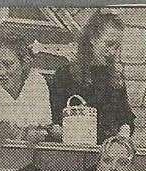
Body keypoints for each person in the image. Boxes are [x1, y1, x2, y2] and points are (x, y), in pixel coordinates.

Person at [48, 10, 136, 144]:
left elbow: (126, 119)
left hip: (104, 156)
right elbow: (53, 120)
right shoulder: (64, 75)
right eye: (109, 44)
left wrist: (123, 133)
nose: (112, 51)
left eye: (117, 46)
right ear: (93, 39)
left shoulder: (116, 79)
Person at [0, 37, 56, 143]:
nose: (1, 72)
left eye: (8, 65)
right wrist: (0, 132)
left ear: (24, 63)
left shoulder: (36, 81)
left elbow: (42, 130)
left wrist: (25, 133)